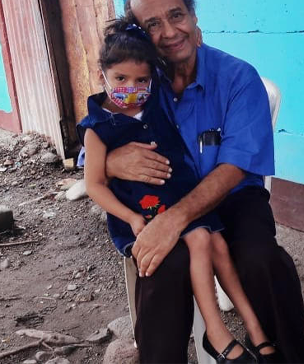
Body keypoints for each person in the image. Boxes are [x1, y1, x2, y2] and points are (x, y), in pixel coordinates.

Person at [103, 0, 304, 363]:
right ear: (139, 34)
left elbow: (235, 167)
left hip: (231, 197)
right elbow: (98, 133)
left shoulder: (237, 78)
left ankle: (288, 356)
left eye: (176, 16)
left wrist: (175, 220)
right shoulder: (138, 80)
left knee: (259, 259)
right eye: (153, 24)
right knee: (162, 264)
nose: (169, 33)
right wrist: (110, 161)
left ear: (193, 15)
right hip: (163, 197)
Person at [79, 18, 276, 363]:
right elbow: (92, 180)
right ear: (102, 76)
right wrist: (130, 215)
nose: (132, 88)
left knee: (216, 243)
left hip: (180, 196)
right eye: (121, 79)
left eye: (141, 80)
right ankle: (218, 336)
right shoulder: (98, 126)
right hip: (142, 210)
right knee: (199, 240)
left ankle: (255, 330)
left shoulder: (157, 101)